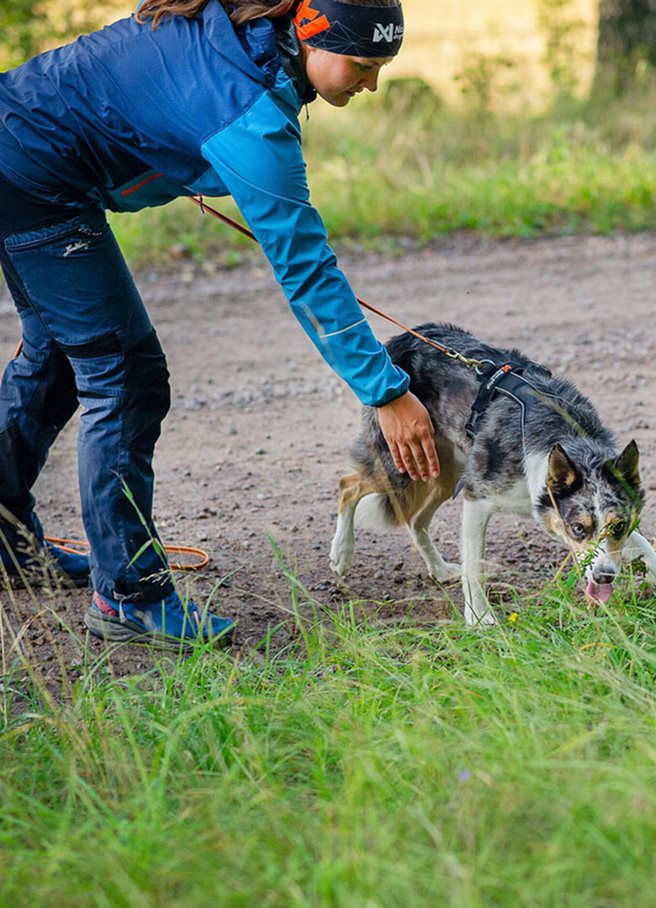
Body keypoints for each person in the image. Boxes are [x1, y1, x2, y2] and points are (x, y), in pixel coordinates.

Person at [0, 0, 440, 647]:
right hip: (31, 173)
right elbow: (309, 275)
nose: (372, 84)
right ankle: (129, 595)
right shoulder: (252, 116)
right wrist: (387, 391)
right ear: (312, 36)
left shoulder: (248, 37)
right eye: (363, 65)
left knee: (62, 355)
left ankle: (6, 541)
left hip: (19, 147)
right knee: (124, 375)